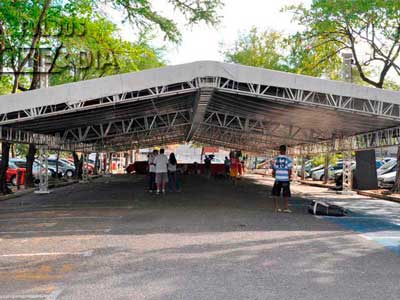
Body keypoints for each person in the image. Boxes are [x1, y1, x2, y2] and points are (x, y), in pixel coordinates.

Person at [271, 145, 293, 213]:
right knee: (286, 194)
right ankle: (285, 208)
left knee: (275, 193)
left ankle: (276, 208)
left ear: (279, 150)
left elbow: (274, 169)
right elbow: (289, 170)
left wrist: (274, 175)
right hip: (285, 179)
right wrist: (289, 177)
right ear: (285, 151)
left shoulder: (276, 159)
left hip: (278, 178)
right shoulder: (288, 159)